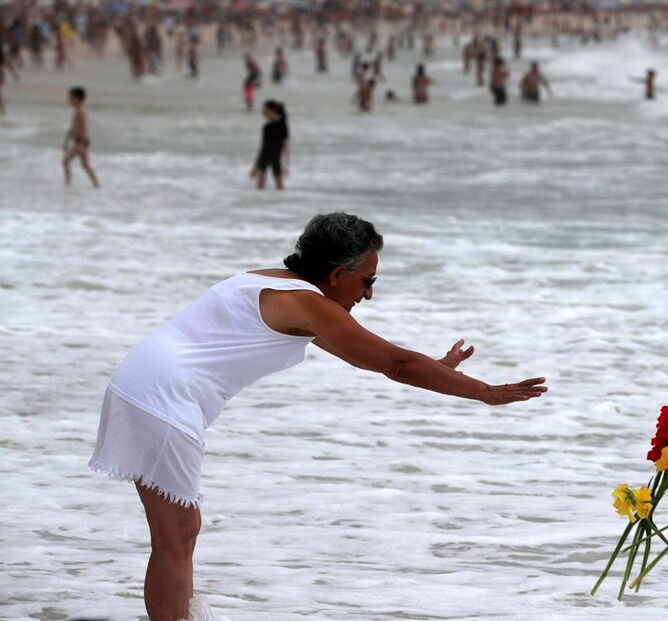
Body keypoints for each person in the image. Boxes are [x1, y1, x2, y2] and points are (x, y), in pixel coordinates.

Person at [88, 212, 547, 621]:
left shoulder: (276, 284)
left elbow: (372, 356)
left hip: (142, 385)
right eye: (367, 280)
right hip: (165, 399)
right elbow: (396, 363)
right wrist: (485, 393)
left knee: (177, 533)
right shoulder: (307, 304)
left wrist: (440, 370)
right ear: (335, 274)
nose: (369, 294)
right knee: (177, 535)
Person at [62, 86, 100, 188]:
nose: (69, 101)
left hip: (81, 142)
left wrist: (81, 144)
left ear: (77, 99)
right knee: (85, 166)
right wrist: (66, 141)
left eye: (70, 98)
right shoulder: (77, 111)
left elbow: (83, 128)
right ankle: (96, 185)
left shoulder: (81, 112)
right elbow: (73, 128)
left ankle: (67, 184)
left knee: (65, 162)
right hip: (79, 141)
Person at [250, 100, 289, 190]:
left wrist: (286, 166)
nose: (263, 113)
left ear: (273, 111)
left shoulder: (282, 126)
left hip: (276, 158)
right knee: (260, 186)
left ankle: (281, 203)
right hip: (264, 157)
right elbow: (262, 146)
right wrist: (255, 167)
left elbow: (286, 146)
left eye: (265, 111)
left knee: (280, 187)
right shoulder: (266, 127)